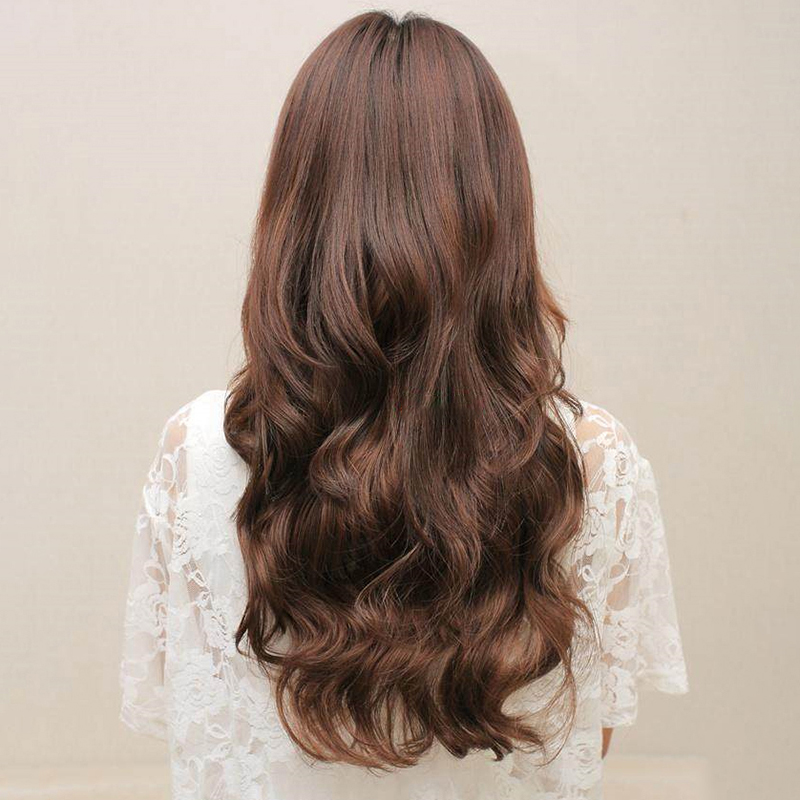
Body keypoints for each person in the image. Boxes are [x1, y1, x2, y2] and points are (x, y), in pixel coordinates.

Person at [119, 10, 688, 800]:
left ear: (297, 214)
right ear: (496, 209)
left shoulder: (199, 453)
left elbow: (200, 729)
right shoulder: (594, 464)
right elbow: (580, 751)